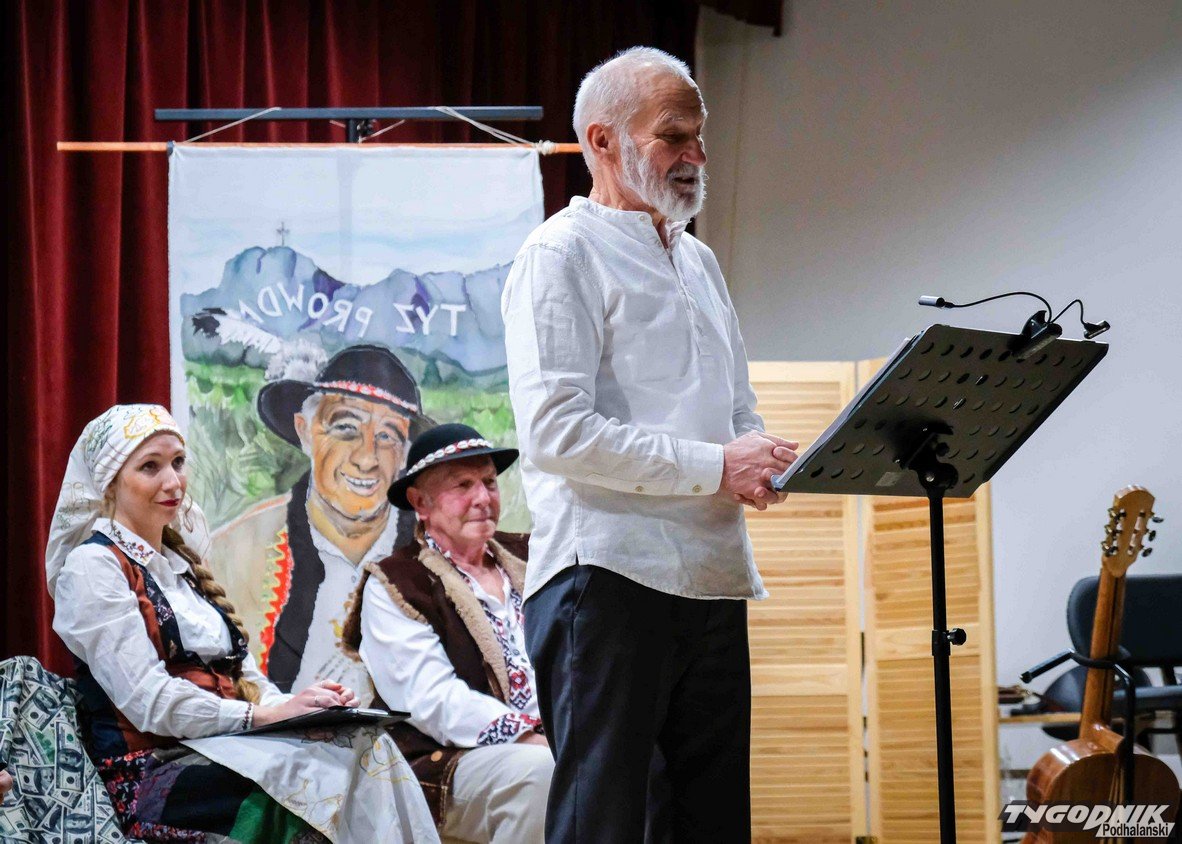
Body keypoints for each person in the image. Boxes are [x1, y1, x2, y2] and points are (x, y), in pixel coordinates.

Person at [501, 47, 799, 842]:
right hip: (605, 577)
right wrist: (719, 465)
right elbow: (556, 432)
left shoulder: (699, 259)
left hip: (711, 574)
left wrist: (758, 456)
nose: (696, 155)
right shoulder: (559, 253)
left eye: (700, 136)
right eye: (674, 136)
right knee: (604, 826)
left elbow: (735, 407)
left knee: (711, 826)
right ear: (602, 141)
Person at [46, 404, 437, 842]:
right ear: (110, 482)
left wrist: (300, 709)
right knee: (313, 775)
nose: (173, 481)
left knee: (365, 744)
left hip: (221, 746)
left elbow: (244, 677)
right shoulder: (94, 567)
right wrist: (263, 716)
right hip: (151, 773)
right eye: (150, 467)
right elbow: (148, 700)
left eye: (178, 462)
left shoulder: (181, 566)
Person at [341, 423, 552, 843]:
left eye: (489, 482)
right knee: (539, 774)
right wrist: (530, 735)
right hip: (445, 763)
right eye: (463, 485)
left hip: (554, 739)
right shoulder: (397, 582)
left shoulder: (533, 555)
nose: (483, 498)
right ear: (421, 503)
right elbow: (431, 700)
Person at [209, 344, 428, 696]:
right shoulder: (232, 553)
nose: (367, 458)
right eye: (346, 428)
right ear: (305, 431)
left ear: (404, 454)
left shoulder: (434, 555)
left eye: (387, 436)